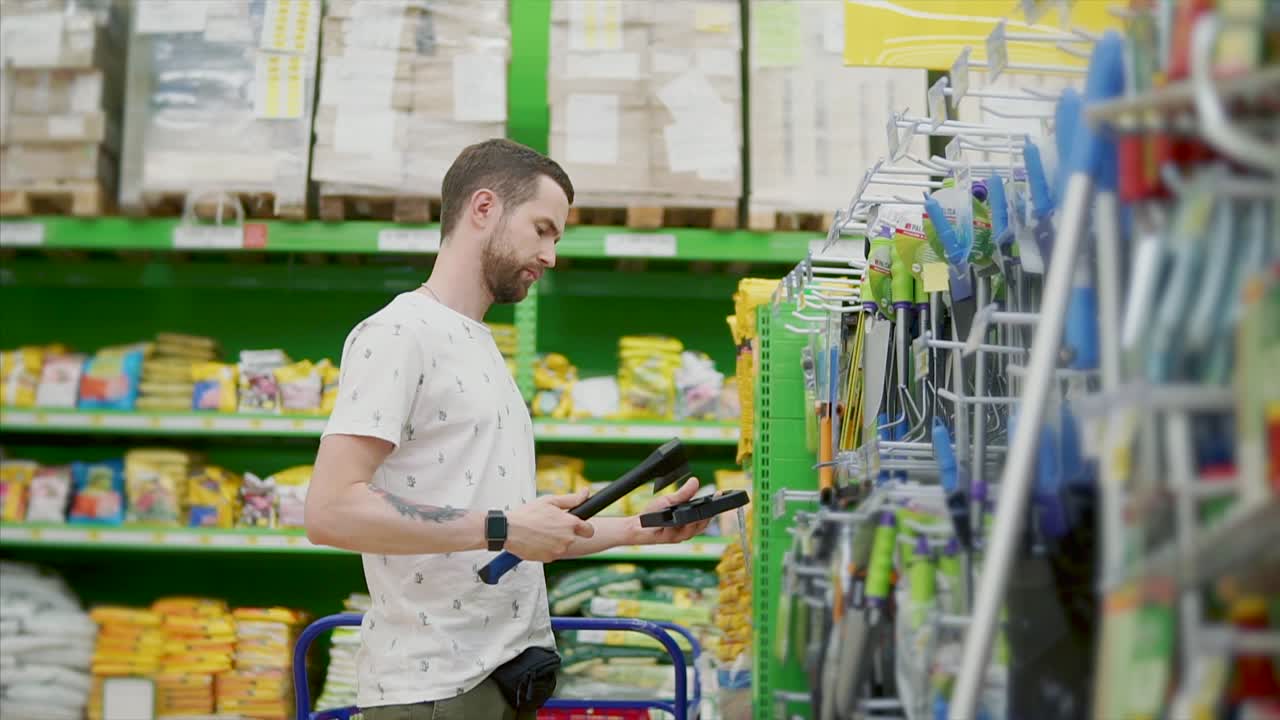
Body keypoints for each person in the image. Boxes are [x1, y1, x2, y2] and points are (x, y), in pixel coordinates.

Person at [304, 139, 712, 719]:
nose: (550, 255)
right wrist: (504, 525)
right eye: (542, 229)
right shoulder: (398, 333)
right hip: (435, 691)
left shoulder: (480, 343)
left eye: (557, 238)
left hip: (503, 677)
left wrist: (638, 530)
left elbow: (510, 537)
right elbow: (329, 512)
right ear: (484, 207)